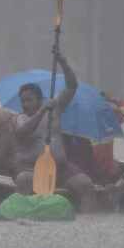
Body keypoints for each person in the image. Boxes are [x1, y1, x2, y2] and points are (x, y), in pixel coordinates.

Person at [12, 50, 97, 213]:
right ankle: (21, 217)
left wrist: (63, 62)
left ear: (39, 99)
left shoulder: (55, 107)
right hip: (30, 169)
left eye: (29, 99)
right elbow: (23, 132)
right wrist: (43, 110)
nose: (26, 104)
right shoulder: (19, 119)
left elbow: (72, 86)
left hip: (59, 167)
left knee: (86, 184)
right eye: (23, 101)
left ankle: (89, 225)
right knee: (23, 179)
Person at [66, 91, 124, 186]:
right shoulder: (112, 116)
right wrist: (114, 100)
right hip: (106, 172)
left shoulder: (76, 120)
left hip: (83, 172)